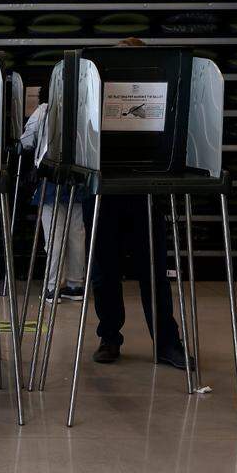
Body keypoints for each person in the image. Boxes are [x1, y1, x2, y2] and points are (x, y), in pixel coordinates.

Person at [82, 38, 189, 368]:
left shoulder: (163, 93)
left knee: (154, 271)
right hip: (103, 189)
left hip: (145, 190)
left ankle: (167, 343)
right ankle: (109, 338)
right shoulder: (92, 91)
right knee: (105, 272)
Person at [20, 88, 86, 302]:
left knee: (54, 237)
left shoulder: (44, 109)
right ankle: (76, 285)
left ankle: (52, 287)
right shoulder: (82, 109)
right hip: (77, 180)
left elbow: (26, 141)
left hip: (51, 182)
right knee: (76, 235)